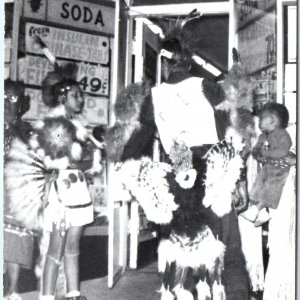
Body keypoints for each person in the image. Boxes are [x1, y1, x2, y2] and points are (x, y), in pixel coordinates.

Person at [37, 63, 97, 300]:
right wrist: (82, 157)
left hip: (78, 189)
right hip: (62, 190)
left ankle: (73, 293)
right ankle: (47, 296)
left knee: (73, 244)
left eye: (81, 94)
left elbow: (86, 159)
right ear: (62, 97)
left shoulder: (77, 126)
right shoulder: (55, 124)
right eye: (75, 95)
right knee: (56, 249)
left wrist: (87, 157)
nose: (80, 98)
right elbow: (58, 157)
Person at [3, 79, 34, 300]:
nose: (6, 102)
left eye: (12, 98)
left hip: (14, 190)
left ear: (22, 103)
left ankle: (13, 290)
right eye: (3, 96)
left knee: (14, 240)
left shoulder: (26, 130)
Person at [241, 102, 292, 226]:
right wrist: (258, 155)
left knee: (269, 189)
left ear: (273, 120)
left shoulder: (283, 135)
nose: (259, 122)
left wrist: (266, 153)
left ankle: (255, 210)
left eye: (262, 118)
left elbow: (283, 151)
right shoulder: (263, 136)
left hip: (279, 169)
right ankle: (263, 213)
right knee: (256, 189)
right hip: (267, 168)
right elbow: (256, 150)